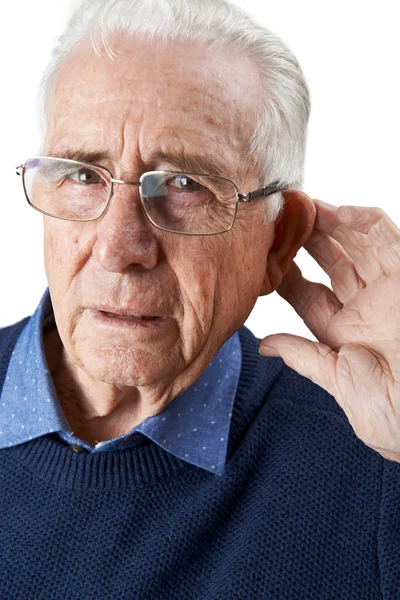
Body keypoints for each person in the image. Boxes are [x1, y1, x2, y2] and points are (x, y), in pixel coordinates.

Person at [1, 0, 399, 598]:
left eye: (184, 185)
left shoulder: (378, 454)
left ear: (278, 238)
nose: (119, 247)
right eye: (84, 175)